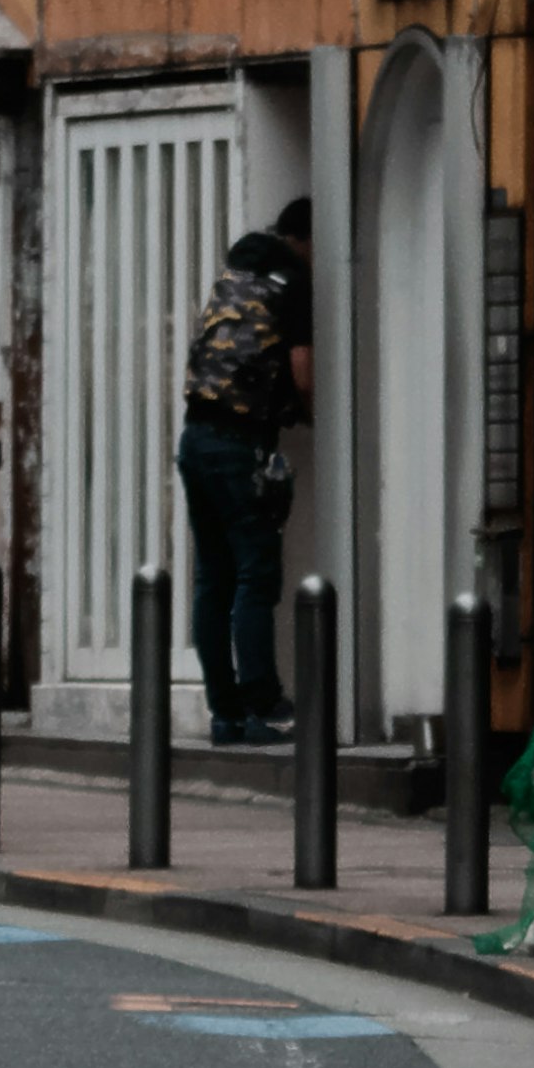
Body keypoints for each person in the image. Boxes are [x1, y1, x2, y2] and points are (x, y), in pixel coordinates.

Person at [177, 205, 313, 742]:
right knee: (256, 575)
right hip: (240, 444)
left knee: (214, 578)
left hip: (196, 438)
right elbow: (301, 370)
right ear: (305, 239)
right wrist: (313, 412)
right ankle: (264, 704)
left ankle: (225, 713)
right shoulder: (293, 283)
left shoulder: (236, 274)